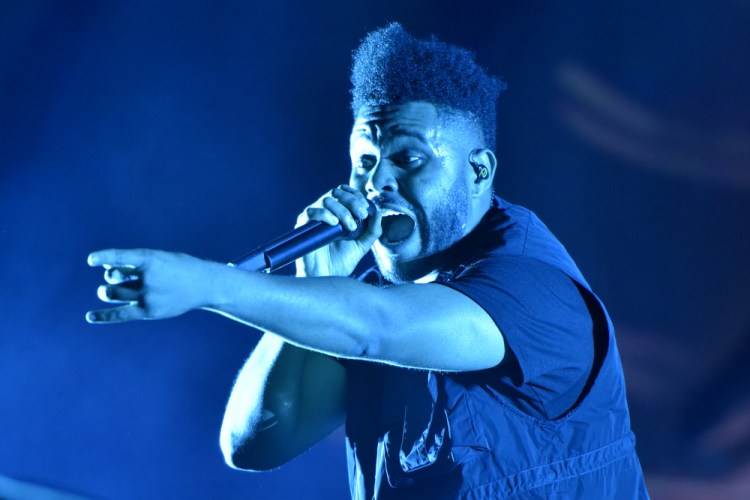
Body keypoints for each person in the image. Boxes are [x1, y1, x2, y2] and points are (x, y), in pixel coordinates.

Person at [87, 23, 648, 499]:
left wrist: (211, 284)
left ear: (478, 171)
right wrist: (319, 278)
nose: (377, 182)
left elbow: (378, 330)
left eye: (407, 159)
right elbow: (253, 445)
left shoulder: (533, 287)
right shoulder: (359, 295)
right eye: (365, 159)